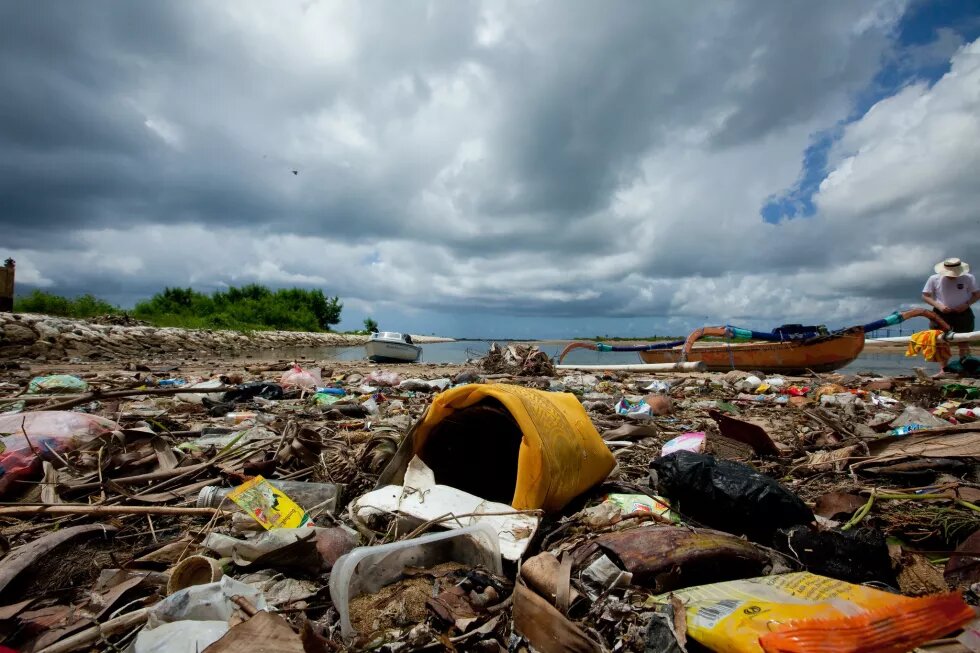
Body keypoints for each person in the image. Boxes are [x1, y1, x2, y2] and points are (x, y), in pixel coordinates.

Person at [922, 258, 980, 367]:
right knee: (942, 342)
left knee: (964, 341)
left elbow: (977, 294)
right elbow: (925, 296)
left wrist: (966, 304)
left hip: (963, 313)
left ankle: (965, 368)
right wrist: (939, 306)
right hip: (941, 314)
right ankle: (942, 370)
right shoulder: (934, 279)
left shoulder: (968, 278)